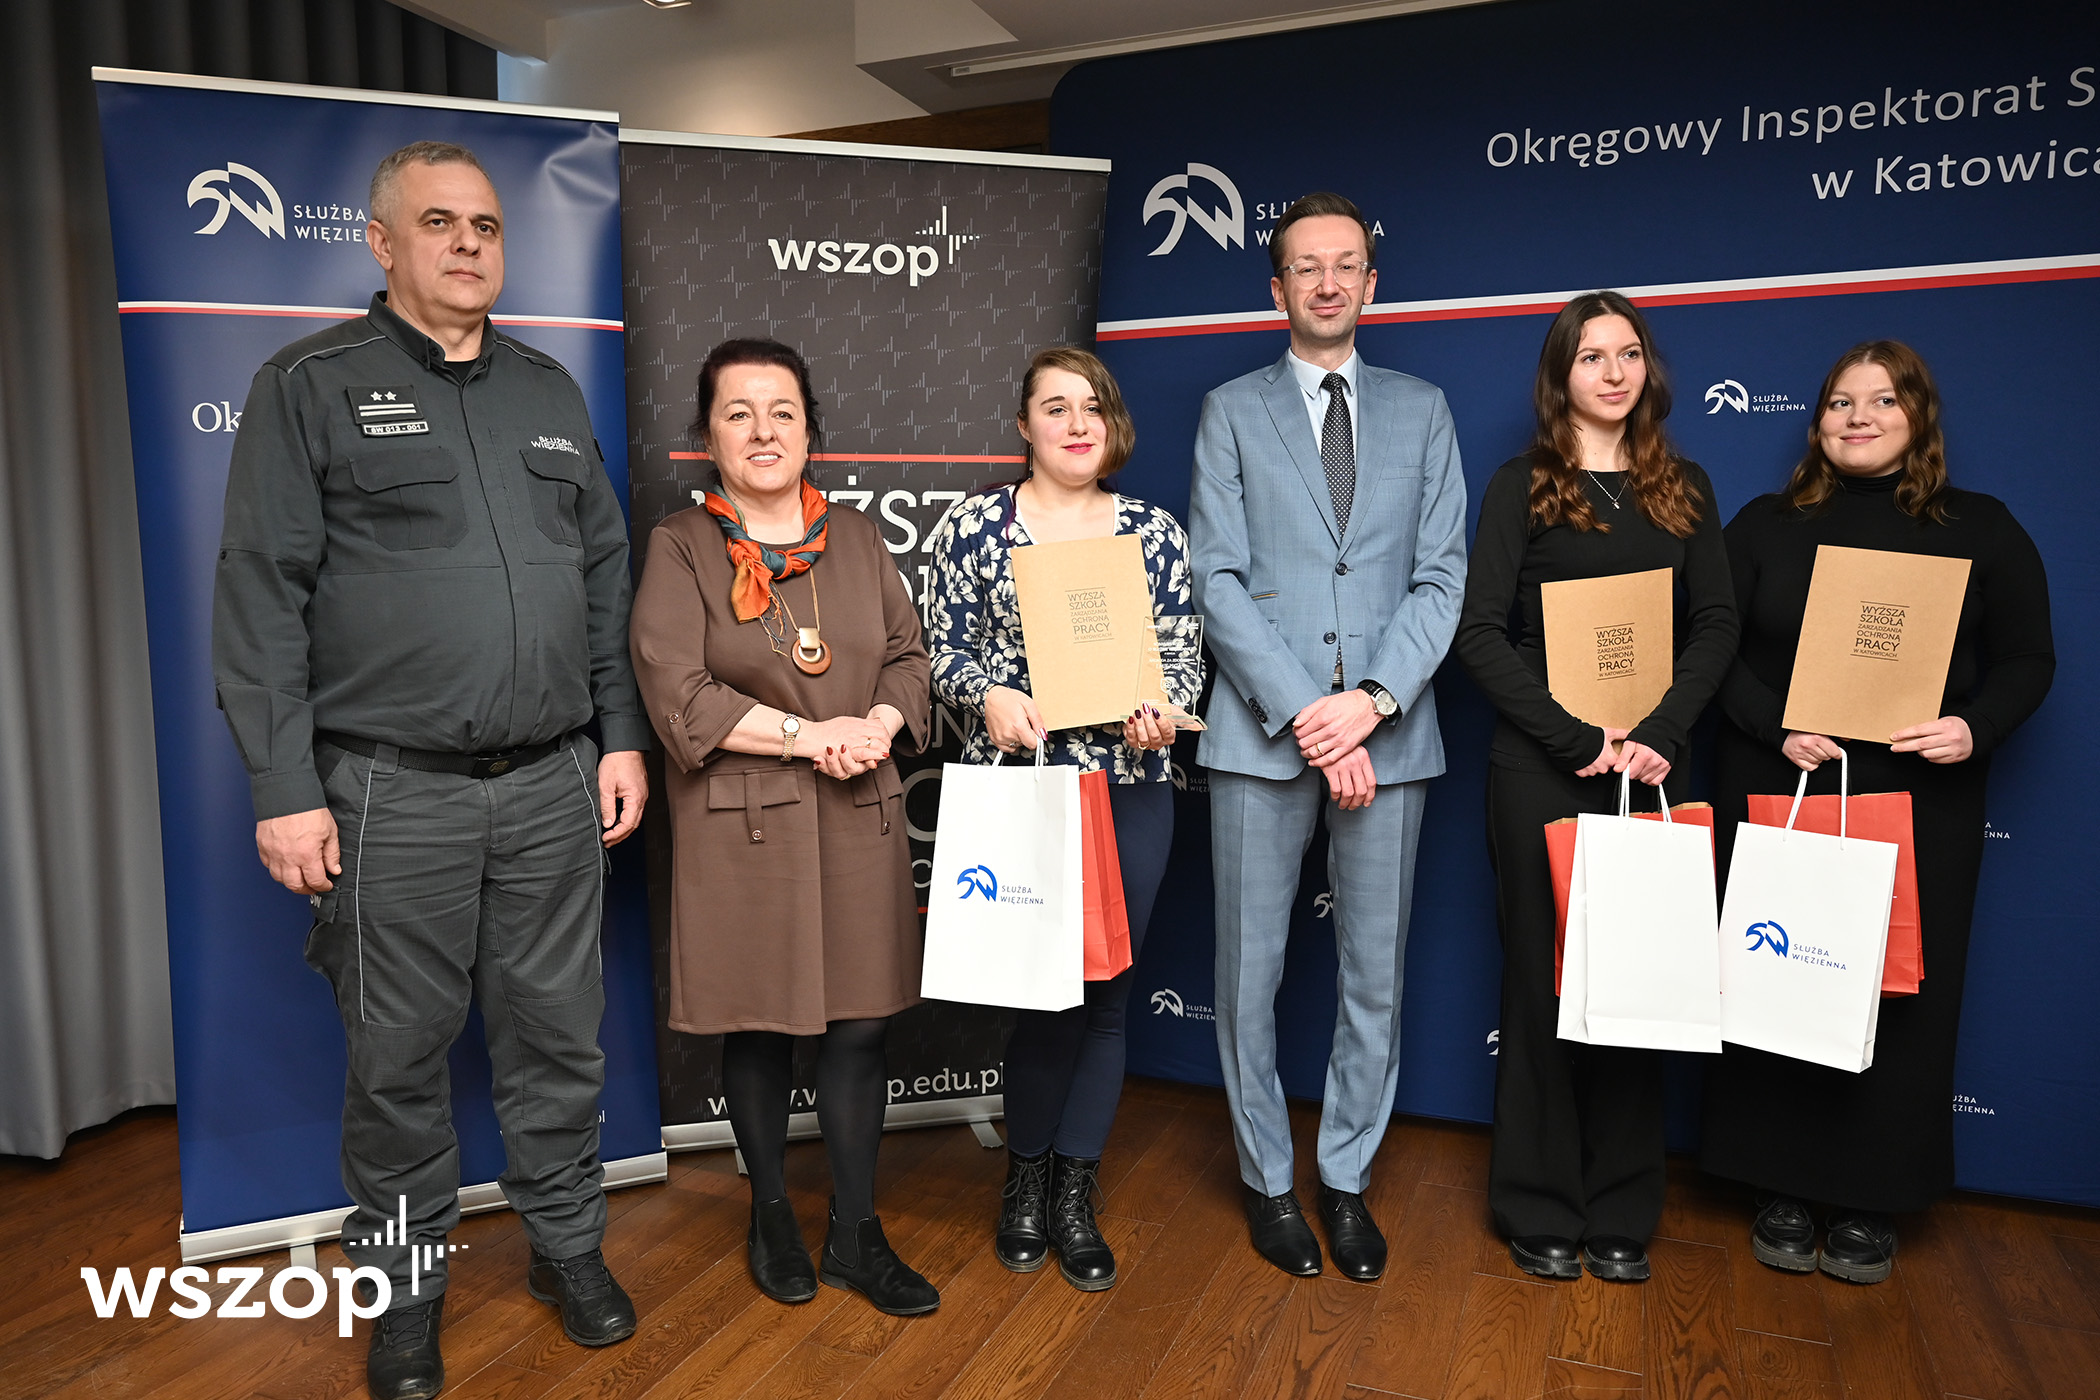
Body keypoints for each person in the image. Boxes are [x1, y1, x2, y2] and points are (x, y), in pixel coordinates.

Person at [213, 142, 647, 1400]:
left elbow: (603, 576)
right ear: (383, 242)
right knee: (397, 1059)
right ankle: (404, 1291)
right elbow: (260, 595)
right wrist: (283, 786)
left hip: (553, 782)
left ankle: (567, 1246)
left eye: (487, 226)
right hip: (389, 790)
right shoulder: (309, 383)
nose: (468, 244)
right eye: (440, 222)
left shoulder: (548, 389)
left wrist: (620, 733)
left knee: (557, 1039)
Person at [1700, 341, 2053, 1284]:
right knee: (1777, 976)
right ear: (1817, 422)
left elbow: (2029, 659)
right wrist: (1772, 724)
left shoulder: (1982, 527)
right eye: (1840, 402)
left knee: (1896, 996)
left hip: (1920, 798)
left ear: (1918, 416)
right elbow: (1708, 644)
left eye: (1883, 400)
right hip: (1787, 785)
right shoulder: (1765, 524)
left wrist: (1974, 728)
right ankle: (1774, 1181)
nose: (1859, 417)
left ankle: (1872, 1194)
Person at [628, 337, 938, 1317]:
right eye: (739, 413)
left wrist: (877, 724)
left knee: (861, 1028)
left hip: (858, 813)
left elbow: (909, 657)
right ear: (707, 435)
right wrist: (811, 735)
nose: (763, 431)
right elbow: (677, 692)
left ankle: (856, 1230)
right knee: (759, 1027)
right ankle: (770, 1212)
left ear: (810, 431)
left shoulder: (858, 538)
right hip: (742, 824)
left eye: (783, 412)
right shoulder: (681, 545)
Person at [1189, 192, 1468, 1281]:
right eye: (1306, 266)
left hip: (1390, 735)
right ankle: (1268, 1179)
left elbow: (1441, 577)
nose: (1327, 282)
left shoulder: (1423, 409)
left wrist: (1373, 702)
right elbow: (1216, 577)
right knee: (1247, 973)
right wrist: (1314, 712)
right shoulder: (1229, 409)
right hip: (1264, 735)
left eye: (1345, 264)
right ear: (1278, 288)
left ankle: (1345, 1176)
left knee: (1374, 977)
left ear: (1371, 284)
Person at [1455, 291, 1737, 1285]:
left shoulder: (1685, 487)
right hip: (1542, 768)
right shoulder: (1521, 486)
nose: (1612, 372)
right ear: (1560, 376)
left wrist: (1659, 733)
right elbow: (1479, 631)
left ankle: (1621, 1205)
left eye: (1627, 354)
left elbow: (1716, 623)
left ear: (1647, 369)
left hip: (1651, 769)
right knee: (1541, 990)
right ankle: (1538, 1204)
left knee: (1637, 984)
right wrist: (1575, 737)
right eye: (1590, 356)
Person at [924, 346, 1198, 1292]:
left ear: (1111, 423)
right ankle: (1024, 1183)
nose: (1077, 423)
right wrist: (987, 693)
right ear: (1024, 427)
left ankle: (1076, 1191)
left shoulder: (1154, 531)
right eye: (1055, 407)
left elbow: (1182, 657)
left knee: (1109, 995)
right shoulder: (976, 527)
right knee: (1046, 997)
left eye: (1092, 406)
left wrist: (1164, 710)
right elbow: (940, 650)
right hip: (1028, 786)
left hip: (1130, 784)